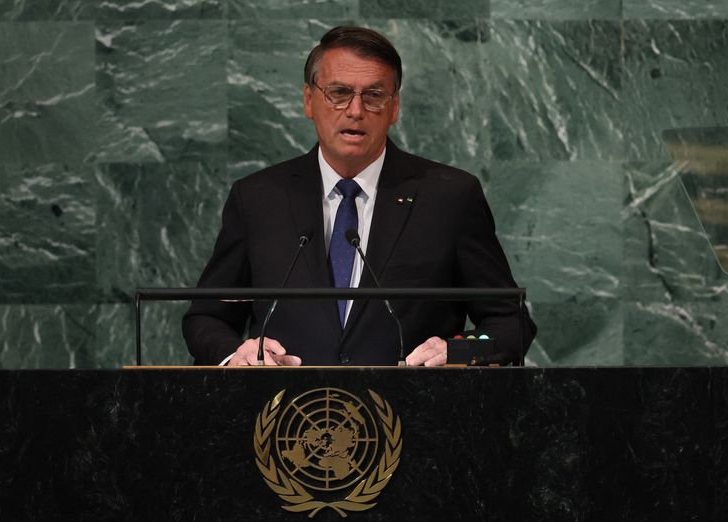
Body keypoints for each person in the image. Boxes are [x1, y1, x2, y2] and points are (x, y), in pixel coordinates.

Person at [183, 26, 535, 367]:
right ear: (309, 100)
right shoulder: (258, 198)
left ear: (394, 108)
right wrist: (235, 355)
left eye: (374, 95)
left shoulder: (450, 197)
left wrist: (458, 352)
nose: (355, 110)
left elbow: (510, 324)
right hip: (286, 419)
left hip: (415, 417)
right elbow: (207, 319)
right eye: (338, 93)